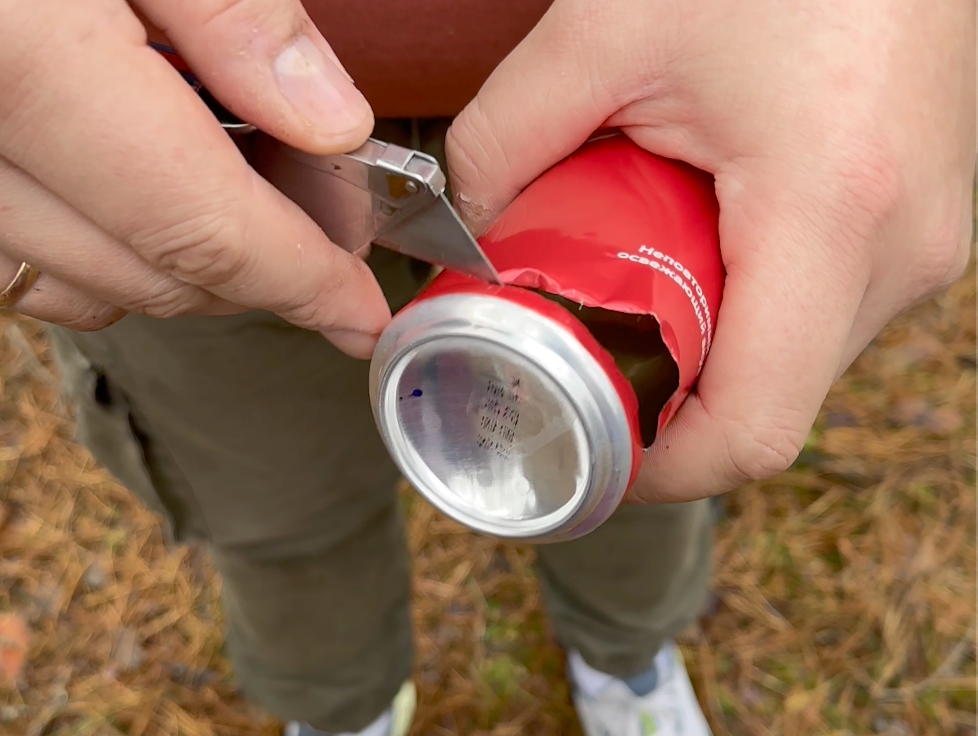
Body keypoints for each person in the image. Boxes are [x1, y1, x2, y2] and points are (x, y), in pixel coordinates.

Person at [0, 1, 973, 735]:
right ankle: (341, 702)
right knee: (274, 504)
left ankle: (625, 654)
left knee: (634, 455)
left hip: (652, 110)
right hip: (166, 136)